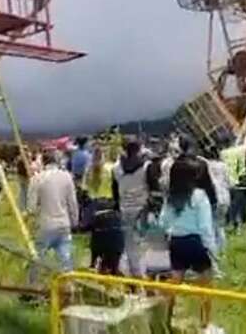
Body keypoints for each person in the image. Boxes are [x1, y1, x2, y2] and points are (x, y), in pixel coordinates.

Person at [160, 158, 217, 328]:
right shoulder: (199, 196)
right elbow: (205, 225)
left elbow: (163, 222)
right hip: (195, 242)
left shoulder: (170, 197)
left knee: (174, 282)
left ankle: (165, 320)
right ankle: (205, 323)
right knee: (206, 284)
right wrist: (211, 249)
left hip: (176, 241)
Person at [27, 152, 79, 284]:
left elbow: (31, 208)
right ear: (57, 161)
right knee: (65, 259)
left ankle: (33, 289)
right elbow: (72, 203)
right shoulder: (67, 177)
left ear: (43, 162)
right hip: (64, 223)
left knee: (37, 258)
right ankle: (69, 288)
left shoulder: (37, 179)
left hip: (45, 225)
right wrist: (75, 221)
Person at [112, 138, 151, 278]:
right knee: (143, 242)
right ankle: (142, 273)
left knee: (128, 243)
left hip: (125, 208)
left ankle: (131, 271)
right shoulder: (146, 166)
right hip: (142, 209)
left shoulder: (116, 168)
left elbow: (115, 192)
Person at [84, 146, 124, 274]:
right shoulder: (110, 168)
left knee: (96, 236)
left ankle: (94, 263)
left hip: (94, 205)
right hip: (108, 204)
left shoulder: (88, 170)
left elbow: (84, 188)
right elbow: (116, 185)